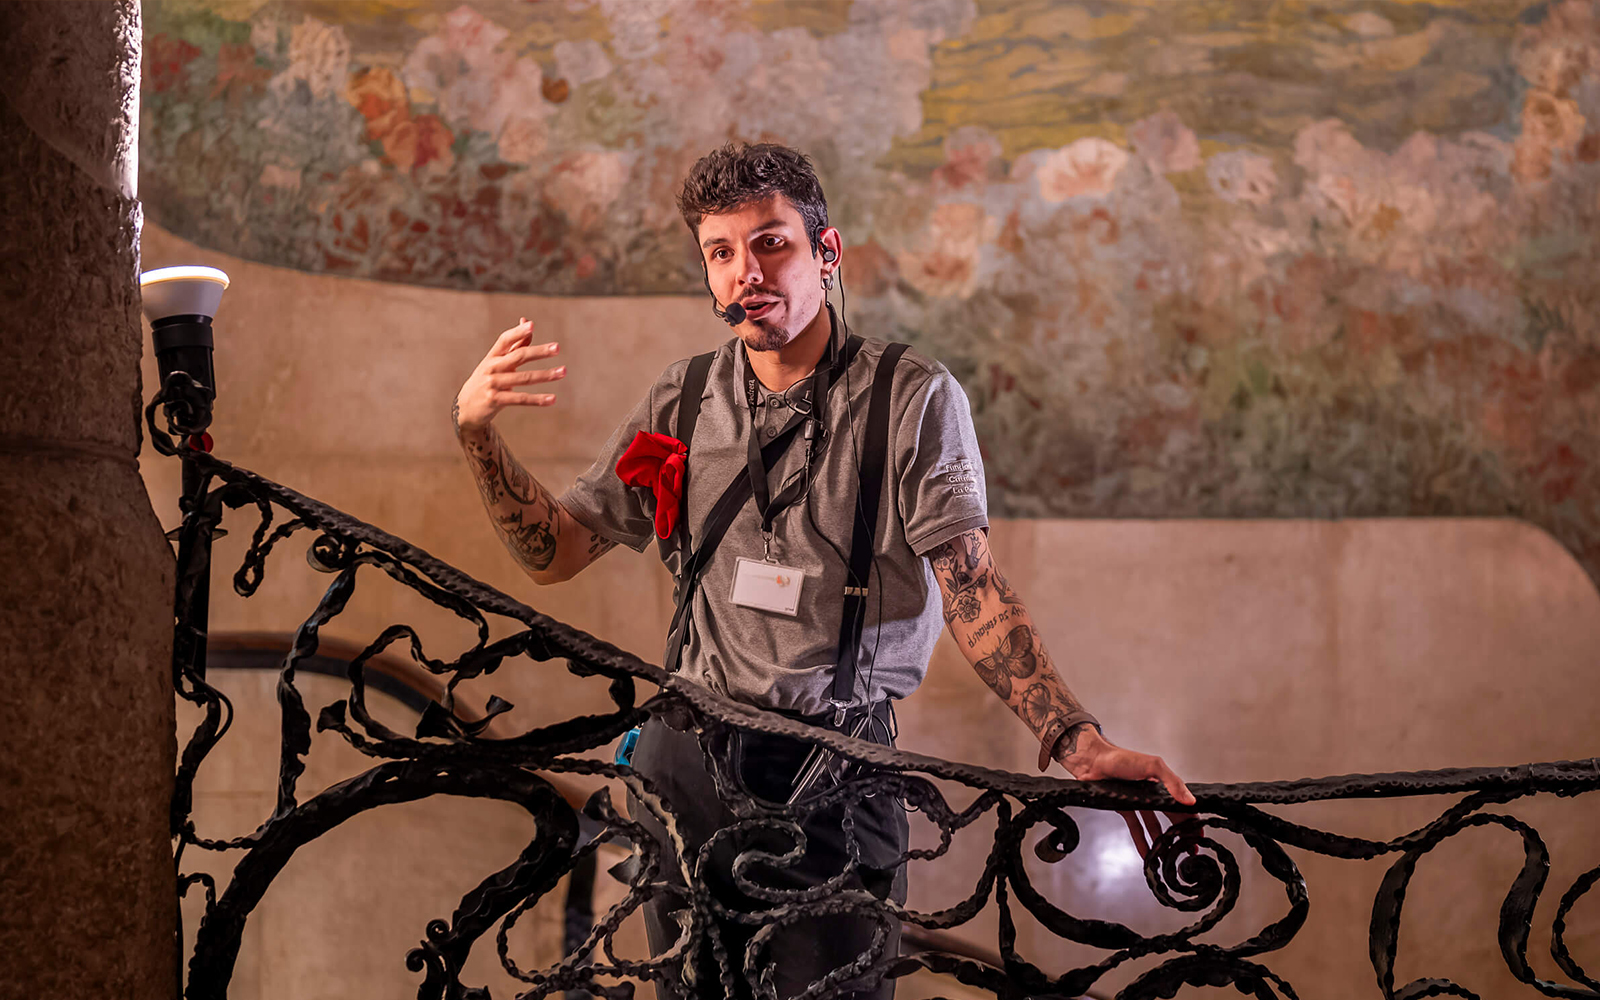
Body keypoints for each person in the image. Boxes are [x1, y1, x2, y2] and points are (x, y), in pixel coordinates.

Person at [452, 142, 1195, 999]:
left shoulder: (911, 398)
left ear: (826, 252)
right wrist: (476, 434)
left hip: (831, 779)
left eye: (771, 243)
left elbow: (973, 589)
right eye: (720, 254)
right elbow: (556, 553)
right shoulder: (684, 398)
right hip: (682, 771)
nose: (744, 274)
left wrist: (1075, 738)